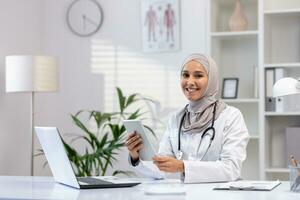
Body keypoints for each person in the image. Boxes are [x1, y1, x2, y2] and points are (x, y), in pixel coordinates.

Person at [125, 54, 249, 183]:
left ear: (211, 79)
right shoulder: (176, 119)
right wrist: (136, 156)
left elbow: (231, 169)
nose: (189, 82)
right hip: (186, 194)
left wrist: (183, 166)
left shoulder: (231, 116)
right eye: (185, 75)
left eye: (198, 75)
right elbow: (161, 169)